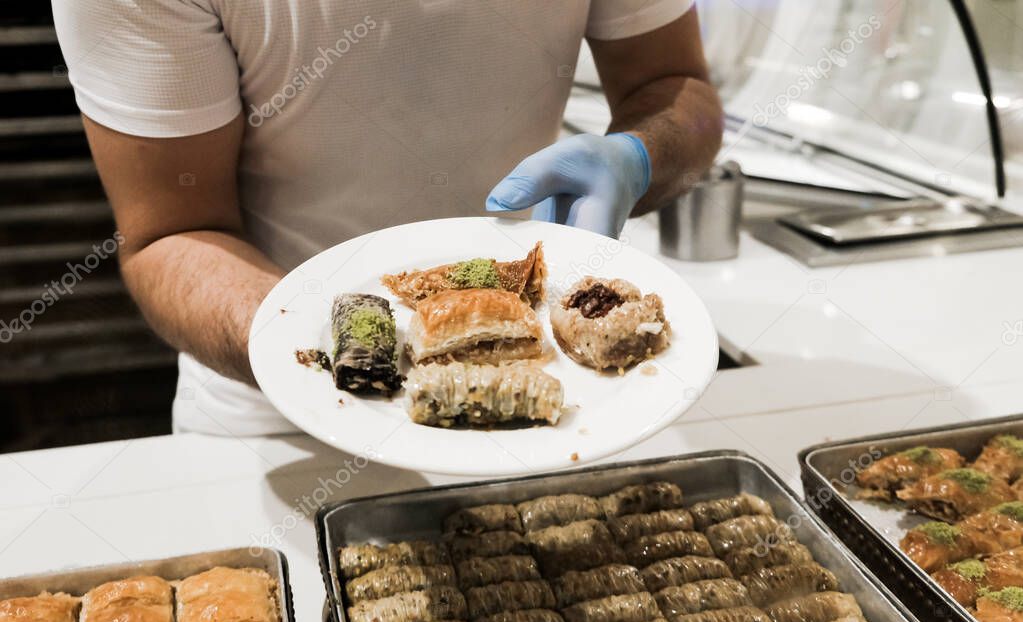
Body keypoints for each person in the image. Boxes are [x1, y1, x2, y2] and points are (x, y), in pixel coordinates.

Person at [52, 0, 723, 436]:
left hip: (558, 399)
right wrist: (317, 356)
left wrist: (638, 156)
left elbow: (675, 88)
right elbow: (170, 232)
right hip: (281, 414)